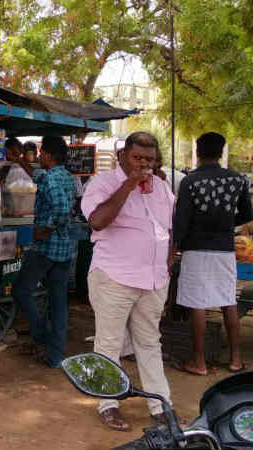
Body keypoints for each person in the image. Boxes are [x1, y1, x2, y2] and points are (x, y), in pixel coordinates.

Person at [81, 131, 175, 431]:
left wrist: (167, 265)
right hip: (114, 278)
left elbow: (169, 227)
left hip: (154, 280)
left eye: (149, 159)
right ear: (122, 155)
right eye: (137, 158)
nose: (143, 164)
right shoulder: (103, 183)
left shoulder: (161, 187)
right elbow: (97, 221)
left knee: (149, 343)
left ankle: (160, 406)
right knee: (108, 344)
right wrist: (129, 184)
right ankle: (108, 404)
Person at [173, 132, 253, 376]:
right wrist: (228, 223)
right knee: (228, 300)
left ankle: (198, 362)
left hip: (196, 248)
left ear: (197, 152)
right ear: (221, 152)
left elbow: (181, 221)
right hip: (225, 249)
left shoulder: (189, 182)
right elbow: (247, 216)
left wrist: (175, 245)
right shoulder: (238, 180)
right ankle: (235, 359)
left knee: (198, 303)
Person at [10, 136, 76, 368]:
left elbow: (61, 209)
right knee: (58, 303)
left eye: (41, 154)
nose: (39, 157)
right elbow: (35, 175)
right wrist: (18, 161)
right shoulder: (67, 177)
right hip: (65, 249)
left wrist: (44, 230)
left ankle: (40, 336)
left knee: (21, 290)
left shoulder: (51, 178)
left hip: (47, 248)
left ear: (47, 155)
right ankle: (55, 355)